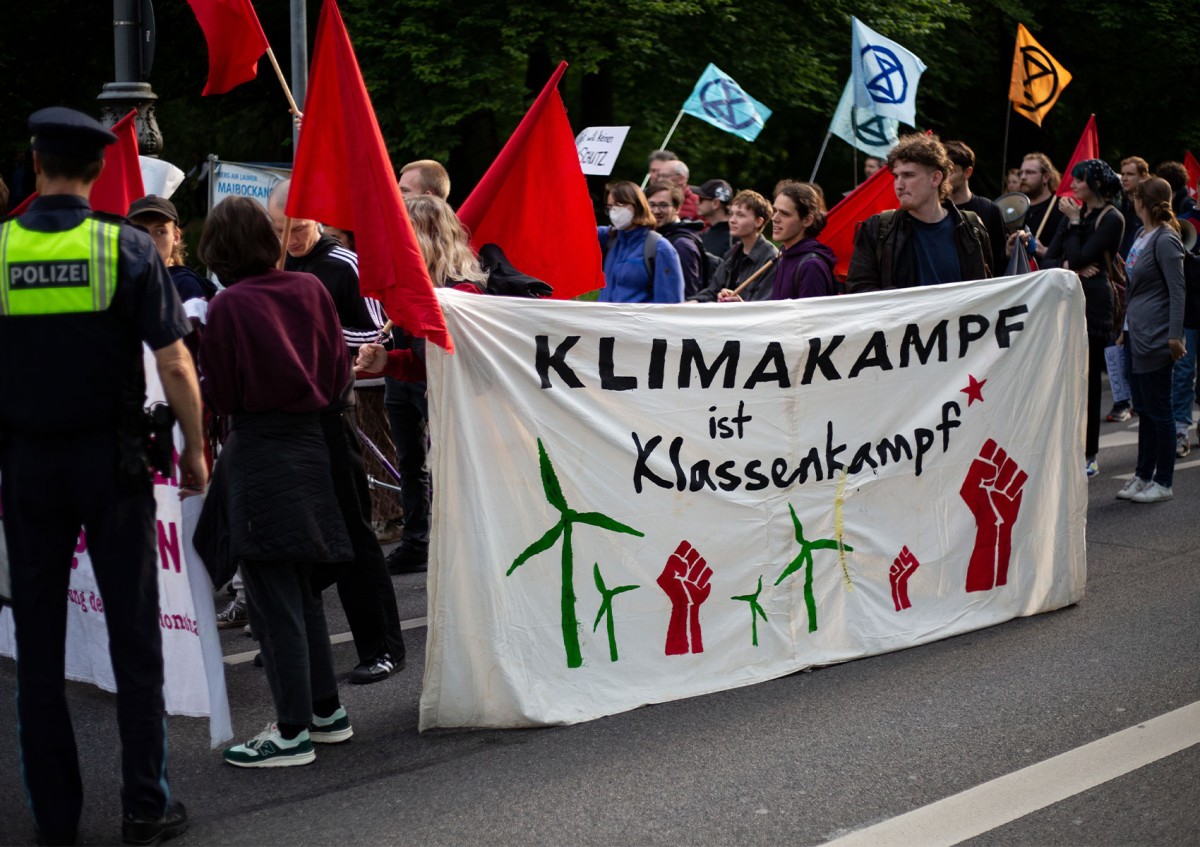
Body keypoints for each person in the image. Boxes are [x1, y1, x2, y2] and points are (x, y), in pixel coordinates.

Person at [0, 107, 205, 846]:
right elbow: (176, 360)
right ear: (95, 173)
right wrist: (196, 449)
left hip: (25, 466)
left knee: (39, 646)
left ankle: (57, 819)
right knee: (133, 635)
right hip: (113, 464)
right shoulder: (125, 249)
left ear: (35, 160)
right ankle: (146, 805)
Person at [195, 197, 356, 767]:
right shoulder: (310, 289)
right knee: (302, 589)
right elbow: (340, 369)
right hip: (312, 445)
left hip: (259, 448)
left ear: (218, 248)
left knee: (272, 597)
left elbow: (219, 393)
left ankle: (290, 732)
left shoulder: (229, 305)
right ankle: (325, 711)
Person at [383, 195, 490, 573]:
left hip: (454, 400)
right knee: (410, 464)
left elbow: (463, 363)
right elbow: (418, 361)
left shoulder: (464, 295)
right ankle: (418, 543)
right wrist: (386, 361)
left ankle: (469, 550)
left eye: (405, 234)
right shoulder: (410, 286)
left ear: (428, 237)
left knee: (456, 468)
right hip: (410, 388)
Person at [1044, 159, 1125, 478]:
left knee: (1088, 382)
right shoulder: (1072, 214)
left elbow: (1079, 255)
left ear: (1096, 183)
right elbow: (1052, 257)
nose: (1073, 184)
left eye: (1080, 179)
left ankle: (1088, 453)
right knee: (1063, 380)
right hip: (1065, 300)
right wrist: (1070, 265)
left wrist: (1075, 227)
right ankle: (1065, 446)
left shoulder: (1111, 218)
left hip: (1092, 304)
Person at [1115, 177, 1187, 503]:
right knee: (1144, 408)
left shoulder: (1166, 239)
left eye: (1135, 196)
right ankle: (1143, 475)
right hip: (1135, 332)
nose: (1132, 200)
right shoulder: (1141, 235)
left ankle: (1164, 480)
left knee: (1160, 410)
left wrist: (1174, 336)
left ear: (1143, 202)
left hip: (1156, 336)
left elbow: (1178, 290)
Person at [845, 133, 992, 292]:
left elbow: (987, 293)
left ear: (935, 178)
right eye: (896, 176)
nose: (899, 185)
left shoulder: (971, 228)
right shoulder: (877, 229)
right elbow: (858, 292)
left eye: (908, 175)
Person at [723, 181, 835, 301]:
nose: (775, 218)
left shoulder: (811, 266)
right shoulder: (783, 256)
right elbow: (778, 312)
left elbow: (812, 318)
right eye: (775, 211)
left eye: (785, 214)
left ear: (807, 220)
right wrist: (742, 306)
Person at [1108, 156, 1152, 423]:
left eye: (1130, 174)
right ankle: (1122, 400)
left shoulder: (1149, 216)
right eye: (1122, 174)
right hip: (1120, 281)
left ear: (1143, 177)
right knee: (1117, 345)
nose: (1124, 178)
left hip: (1139, 290)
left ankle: (1138, 401)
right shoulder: (1120, 206)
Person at [597, 179, 684, 303]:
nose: (614, 211)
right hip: (605, 320)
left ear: (637, 206)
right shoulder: (610, 239)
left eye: (620, 205)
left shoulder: (659, 248)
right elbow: (574, 231)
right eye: (610, 207)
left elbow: (669, 304)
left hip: (637, 321)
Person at [691, 190, 778, 303]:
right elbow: (712, 291)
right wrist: (689, 304)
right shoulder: (734, 252)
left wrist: (741, 304)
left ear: (758, 222)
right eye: (731, 214)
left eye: (740, 215)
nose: (732, 220)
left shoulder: (771, 258)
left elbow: (764, 306)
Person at [944, 140, 1007, 275]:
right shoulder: (933, 209)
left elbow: (999, 260)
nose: (944, 178)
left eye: (950, 172)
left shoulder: (989, 209)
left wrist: (1009, 251)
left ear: (967, 172)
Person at [647, 181, 706, 298]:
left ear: (677, 208)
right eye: (652, 205)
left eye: (663, 205)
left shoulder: (682, 244)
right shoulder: (652, 237)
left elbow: (688, 294)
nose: (656, 211)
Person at [1016, 152, 1065, 263]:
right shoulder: (1016, 208)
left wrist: (1046, 252)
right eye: (1021, 173)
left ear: (1046, 177)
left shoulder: (1061, 208)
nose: (1023, 177)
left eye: (1029, 172)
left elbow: (1072, 254)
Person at [694, 178, 734, 256]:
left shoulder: (733, 239)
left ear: (716, 203)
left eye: (701, 199)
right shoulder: (706, 233)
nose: (696, 202)